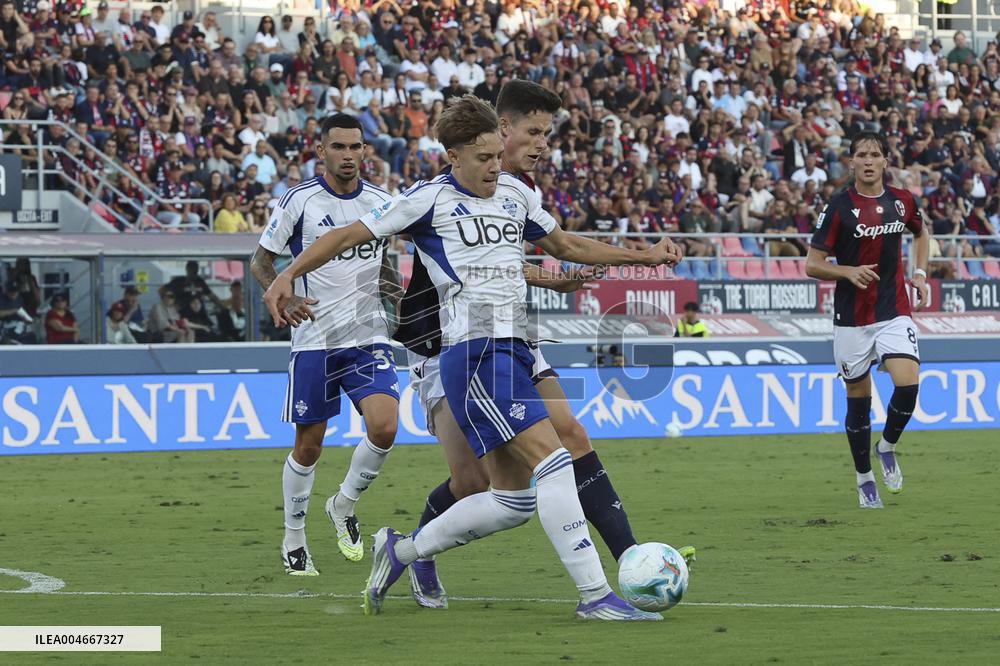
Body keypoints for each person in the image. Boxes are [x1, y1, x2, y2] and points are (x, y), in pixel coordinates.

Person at [264, 95, 682, 620]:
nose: (494, 167)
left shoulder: (514, 194)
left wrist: (643, 256)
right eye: (483, 158)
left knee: (513, 502)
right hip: (474, 351)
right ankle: (596, 597)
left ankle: (402, 550)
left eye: (495, 155)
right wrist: (283, 274)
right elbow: (348, 233)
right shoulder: (427, 199)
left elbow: (567, 247)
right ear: (454, 155)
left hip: (518, 345)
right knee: (553, 461)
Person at [403, 80, 682, 609]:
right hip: (445, 345)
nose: (543, 144)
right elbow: (467, 269)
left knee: (570, 433)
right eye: (534, 132)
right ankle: (416, 552)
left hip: (513, 334)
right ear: (500, 129)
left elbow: (521, 261)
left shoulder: (516, 190)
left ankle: (633, 560)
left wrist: (556, 277)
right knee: (474, 481)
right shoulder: (441, 194)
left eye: (547, 134)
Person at [250, 114, 397, 576]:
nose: (349, 155)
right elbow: (260, 261)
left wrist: (399, 299)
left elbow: (384, 264)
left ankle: (343, 503)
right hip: (315, 339)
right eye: (339, 147)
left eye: (356, 147)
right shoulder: (299, 202)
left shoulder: (381, 204)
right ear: (322, 152)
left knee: (385, 427)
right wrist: (283, 291)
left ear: (364, 151)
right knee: (309, 446)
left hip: (367, 335)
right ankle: (294, 536)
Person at [806, 131, 929, 509]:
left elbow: (921, 234)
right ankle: (863, 477)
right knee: (858, 402)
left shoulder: (903, 201)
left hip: (893, 310)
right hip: (851, 319)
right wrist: (847, 272)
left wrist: (920, 275)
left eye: (875, 154)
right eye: (862, 154)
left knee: (907, 384)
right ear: (853, 162)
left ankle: (887, 446)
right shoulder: (839, 207)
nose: (869, 160)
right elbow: (813, 264)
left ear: (885, 162)